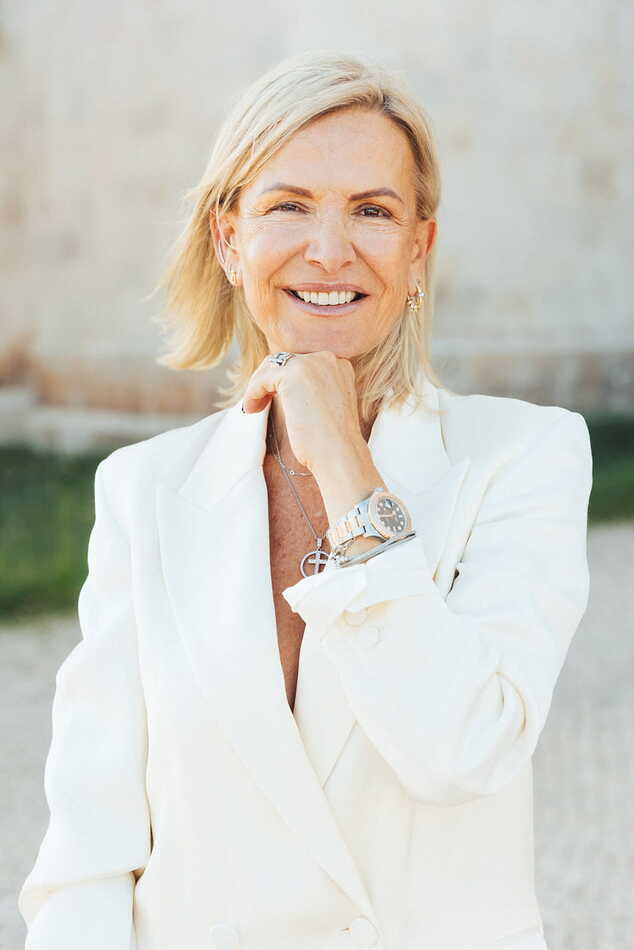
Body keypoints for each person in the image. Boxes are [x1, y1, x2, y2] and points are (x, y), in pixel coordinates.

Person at [19, 50, 592, 950]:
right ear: (229, 239)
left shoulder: (526, 455)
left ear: (418, 251)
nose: (330, 250)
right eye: (289, 206)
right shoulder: (143, 489)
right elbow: (89, 847)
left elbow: (464, 748)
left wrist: (342, 459)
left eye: (373, 210)